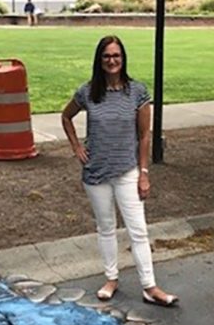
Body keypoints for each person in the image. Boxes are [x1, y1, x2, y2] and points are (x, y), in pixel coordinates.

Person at [61, 35, 178, 306]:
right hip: (96, 173)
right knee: (106, 228)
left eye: (116, 55)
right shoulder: (88, 92)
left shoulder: (137, 92)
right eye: (106, 56)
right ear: (99, 60)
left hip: (127, 172)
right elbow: (66, 116)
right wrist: (77, 147)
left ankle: (150, 287)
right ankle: (111, 279)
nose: (112, 60)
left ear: (122, 58)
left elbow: (145, 135)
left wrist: (144, 172)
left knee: (138, 230)